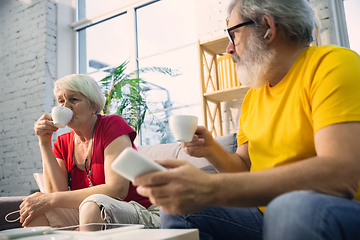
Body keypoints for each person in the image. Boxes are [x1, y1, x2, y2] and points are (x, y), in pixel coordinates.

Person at [133, 0, 360, 239]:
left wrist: (210, 188)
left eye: (234, 34)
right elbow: (242, 168)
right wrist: (211, 150)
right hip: (265, 213)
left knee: (290, 208)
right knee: (179, 208)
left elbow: (339, 174)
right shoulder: (253, 96)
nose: (229, 48)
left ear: (267, 27)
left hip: (330, 210)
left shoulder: (333, 64)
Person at [20, 74, 160, 229]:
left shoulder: (111, 125)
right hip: (94, 211)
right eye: (61, 101)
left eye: (74, 99)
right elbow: (56, 192)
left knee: (92, 206)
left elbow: (116, 190)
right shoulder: (62, 142)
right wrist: (44, 142)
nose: (65, 106)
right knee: (35, 211)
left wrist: (51, 199)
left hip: (142, 210)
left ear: (93, 105)